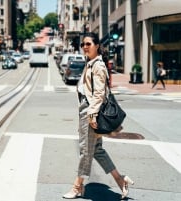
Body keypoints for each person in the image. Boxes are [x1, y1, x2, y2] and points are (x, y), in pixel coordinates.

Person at [63, 32, 134, 200]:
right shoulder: (90, 63)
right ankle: (120, 179)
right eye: (83, 45)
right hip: (87, 110)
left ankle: (78, 187)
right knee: (96, 150)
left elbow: (99, 93)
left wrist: (92, 115)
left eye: (88, 44)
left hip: (90, 111)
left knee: (85, 151)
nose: (85, 47)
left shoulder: (98, 66)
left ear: (97, 46)